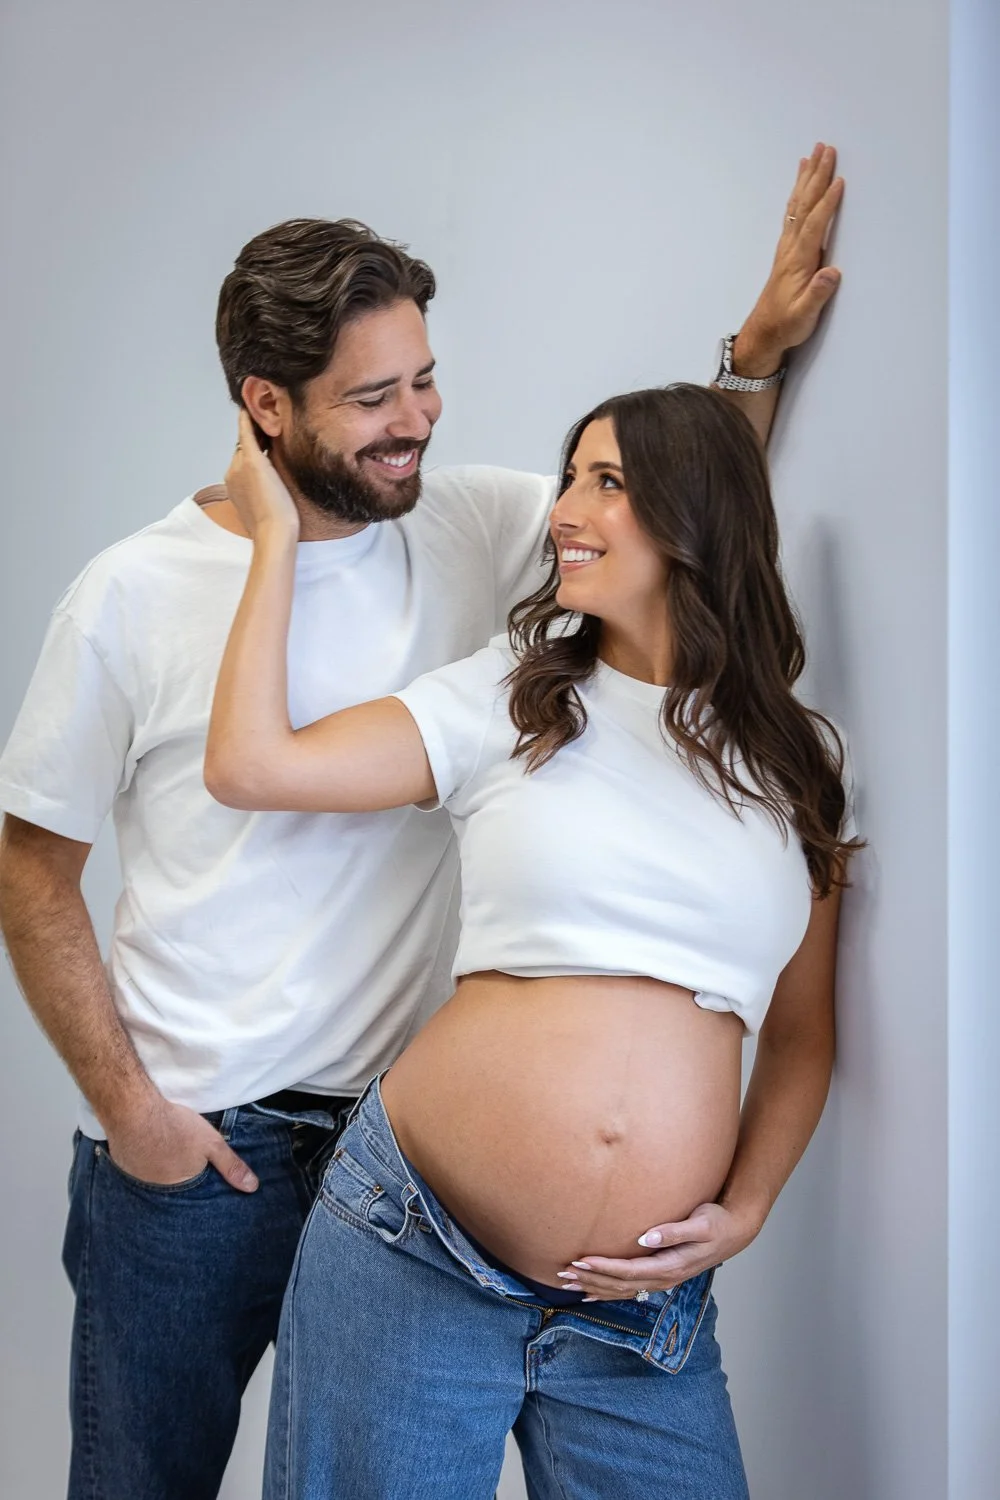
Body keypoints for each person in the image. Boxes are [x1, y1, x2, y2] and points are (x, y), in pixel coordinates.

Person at [0, 149, 842, 1499]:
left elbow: (675, 519)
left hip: (398, 1142)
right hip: (201, 1146)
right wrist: (132, 1113)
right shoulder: (130, 594)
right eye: (374, 399)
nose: (419, 422)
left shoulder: (474, 521)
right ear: (265, 407)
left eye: (426, 380)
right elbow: (34, 873)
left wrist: (751, 353)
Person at [208, 378, 858, 1500]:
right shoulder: (510, 703)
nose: (563, 507)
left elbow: (800, 1035)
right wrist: (273, 537)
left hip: (639, 1310)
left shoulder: (794, 770)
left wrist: (746, 1208)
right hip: (414, 1248)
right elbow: (252, 765)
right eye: (569, 476)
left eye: (606, 482)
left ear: (693, 512)